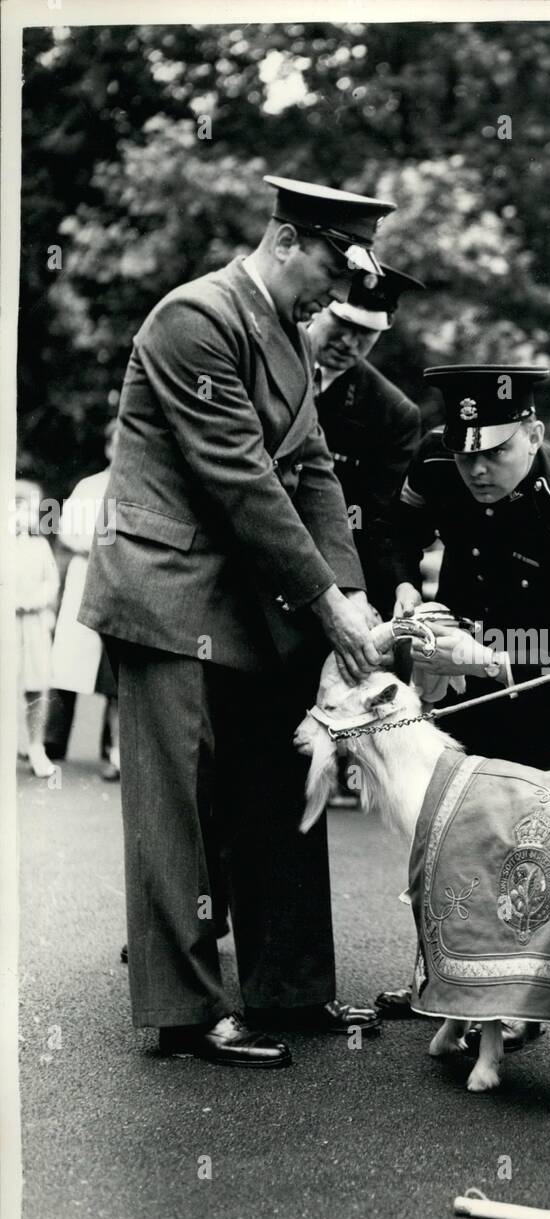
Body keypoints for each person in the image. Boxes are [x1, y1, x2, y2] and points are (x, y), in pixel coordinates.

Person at [79, 175, 396, 1069]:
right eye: (334, 262)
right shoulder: (195, 317)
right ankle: (182, 1010)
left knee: (275, 773)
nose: (339, 288)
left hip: (245, 597)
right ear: (287, 239)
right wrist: (330, 608)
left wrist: (355, 594)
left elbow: (316, 474)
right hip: (166, 590)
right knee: (175, 801)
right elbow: (241, 479)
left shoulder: (294, 338)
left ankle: (288, 987)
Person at [376, 364, 550, 1028]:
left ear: (533, 431)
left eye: (493, 452)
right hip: (452, 682)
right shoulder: (435, 459)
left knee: (521, 849)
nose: (475, 469)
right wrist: (404, 589)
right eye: (464, 454)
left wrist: (492, 659)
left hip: (533, 699)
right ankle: (442, 978)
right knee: (445, 830)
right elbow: (395, 529)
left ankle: (517, 1002)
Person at [308, 261, 424, 615]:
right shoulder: (263, 365)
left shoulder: (391, 413)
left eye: (366, 333)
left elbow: (378, 522)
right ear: (318, 307)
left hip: (327, 576)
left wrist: (365, 596)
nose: (348, 342)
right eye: (342, 324)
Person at [45, 427, 120, 779]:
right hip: (83, 577)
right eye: (118, 443)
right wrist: (96, 546)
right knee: (67, 662)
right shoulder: (88, 487)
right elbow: (66, 532)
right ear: (108, 447)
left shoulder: (137, 486)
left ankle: (113, 750)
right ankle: (51, 743)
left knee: (112, 670)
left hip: (118, 586)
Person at [14, 479, 60, 779]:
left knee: (36, 686)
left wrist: (34, 601)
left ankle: (35, 746)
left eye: (31, 507)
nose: (25, 513)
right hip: (7, 622)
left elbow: (51, 582)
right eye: (19, 506)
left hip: (33, 623)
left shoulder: (40, 545)